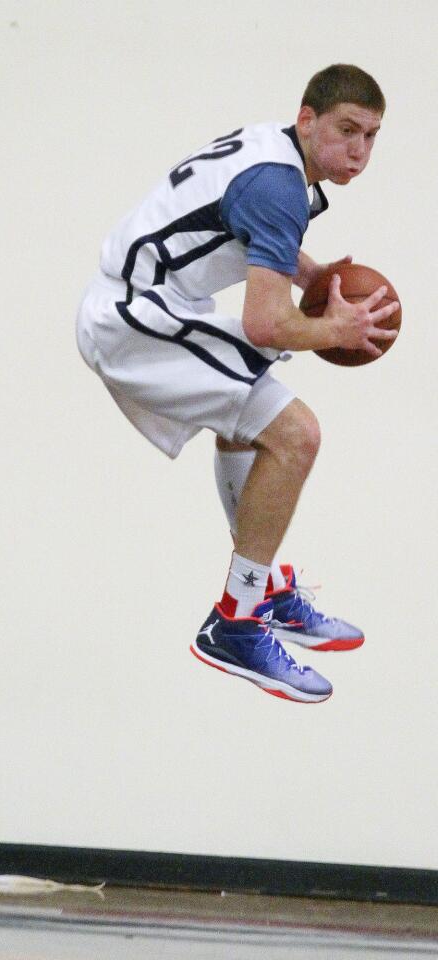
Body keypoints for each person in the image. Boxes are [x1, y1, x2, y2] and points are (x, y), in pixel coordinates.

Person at [76, 64, 398, 704]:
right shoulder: (279, 186)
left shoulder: (271, 149)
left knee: (247, 420)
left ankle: (263, 592)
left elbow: (242, 226)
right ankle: (237, 620)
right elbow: (265, 322)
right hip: (135, 318)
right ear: (307, 119)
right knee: (297, 435)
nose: (359, 150)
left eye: (371, 135)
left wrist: (309, 276)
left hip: (148, 305)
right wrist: (338, 328)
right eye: (346, 130)